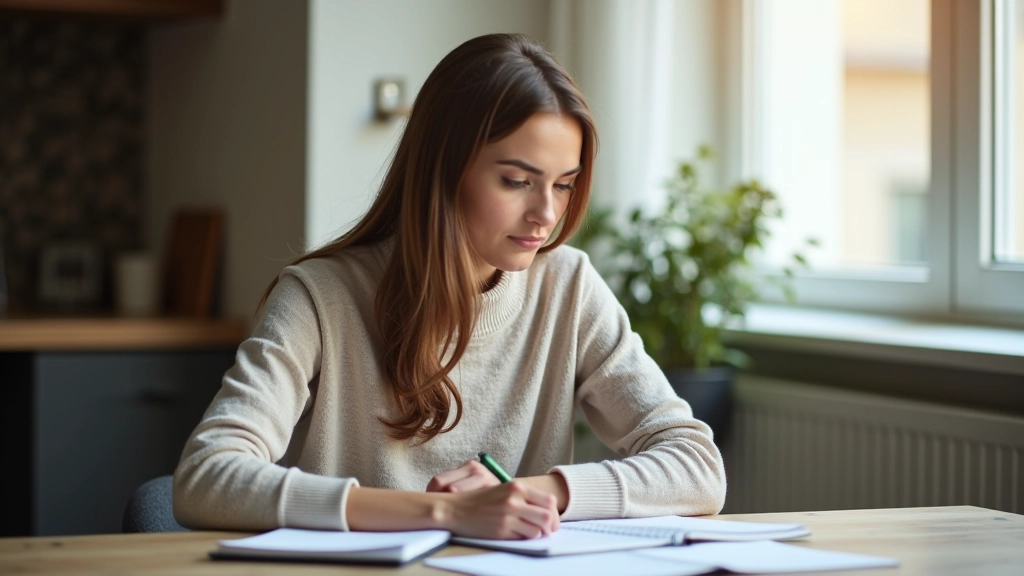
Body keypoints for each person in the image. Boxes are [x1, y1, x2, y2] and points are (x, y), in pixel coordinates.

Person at [173, 33, 726, 540]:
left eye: (564, 185)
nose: (546, 214)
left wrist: (534, 495)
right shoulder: (320, 297)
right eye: (516, 181)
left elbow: (698, 467)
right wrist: (444, 513)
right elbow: (206, 477)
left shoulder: (569, 285)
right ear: (443, 169)